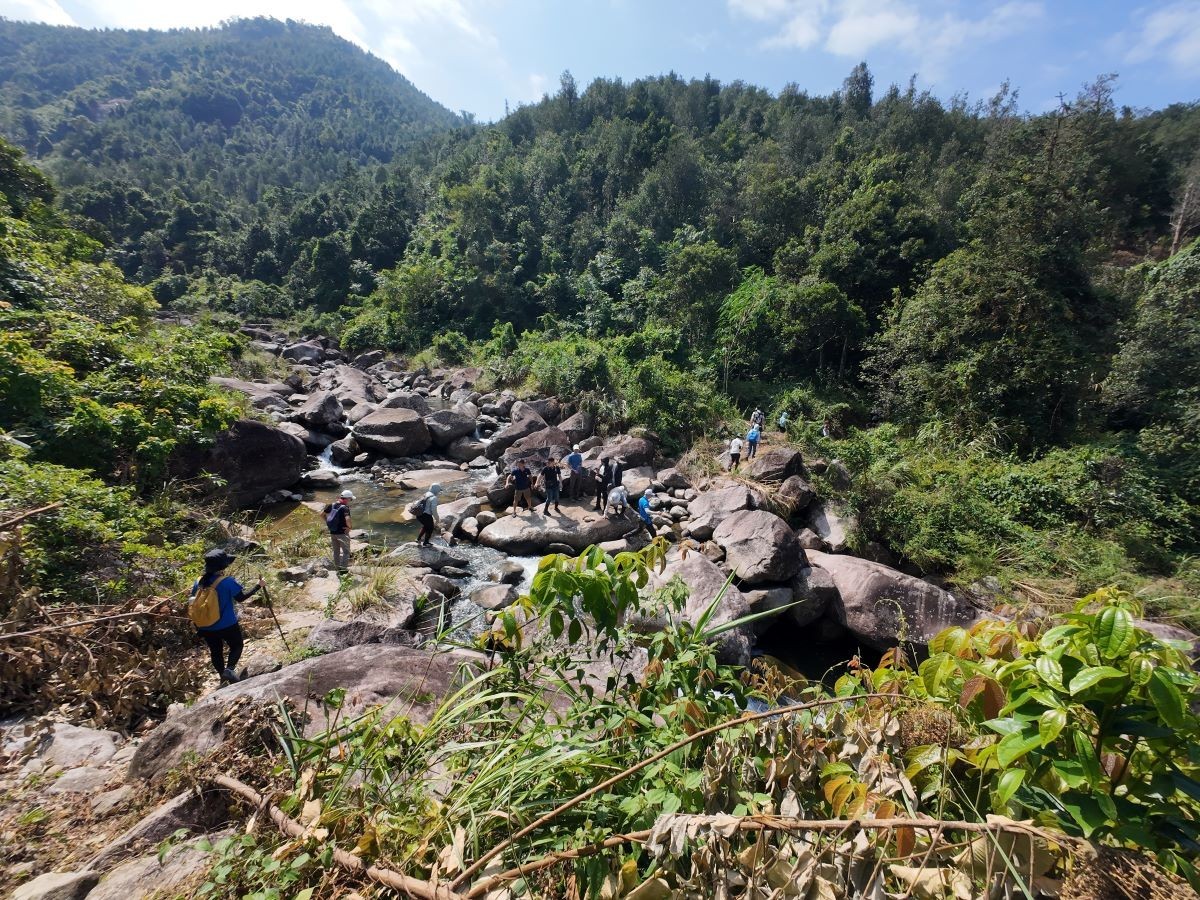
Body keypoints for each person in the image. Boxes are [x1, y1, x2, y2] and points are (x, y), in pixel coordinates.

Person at [191, 548, 262, 684]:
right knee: (237, 645)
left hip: (205, 626)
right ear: (222, 566)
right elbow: (241, 598)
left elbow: (192, 603)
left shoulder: (199, 581)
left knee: (215, 651)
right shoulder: (227, 581)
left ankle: (222, 676)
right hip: (227, 624)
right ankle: (229, 670)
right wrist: (258, 586)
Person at [326, 489, 355, 571]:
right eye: (350, 499)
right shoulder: (345, 508)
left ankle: (337, 567)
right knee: (346, 552)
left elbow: (322, 514)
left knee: (336, 551)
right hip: (342, 533)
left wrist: (327, 522)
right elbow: (348, 519)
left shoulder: (331, 505)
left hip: (332, 532)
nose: (350, 501)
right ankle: (343, 570)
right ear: (347, 498)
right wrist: (349, 527)